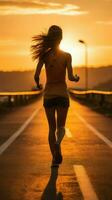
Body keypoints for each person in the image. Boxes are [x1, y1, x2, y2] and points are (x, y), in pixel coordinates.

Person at [31, 25, 79, 167]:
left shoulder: (44, 56)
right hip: (62, 94)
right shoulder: (67, 56)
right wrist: (76, 78)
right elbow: (70, 77)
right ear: (61, 38)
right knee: (61, 127)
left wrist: (38, 84)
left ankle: (54, 160)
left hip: (49, 95)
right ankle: (58, 143)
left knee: (51, 129)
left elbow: (36, 75)